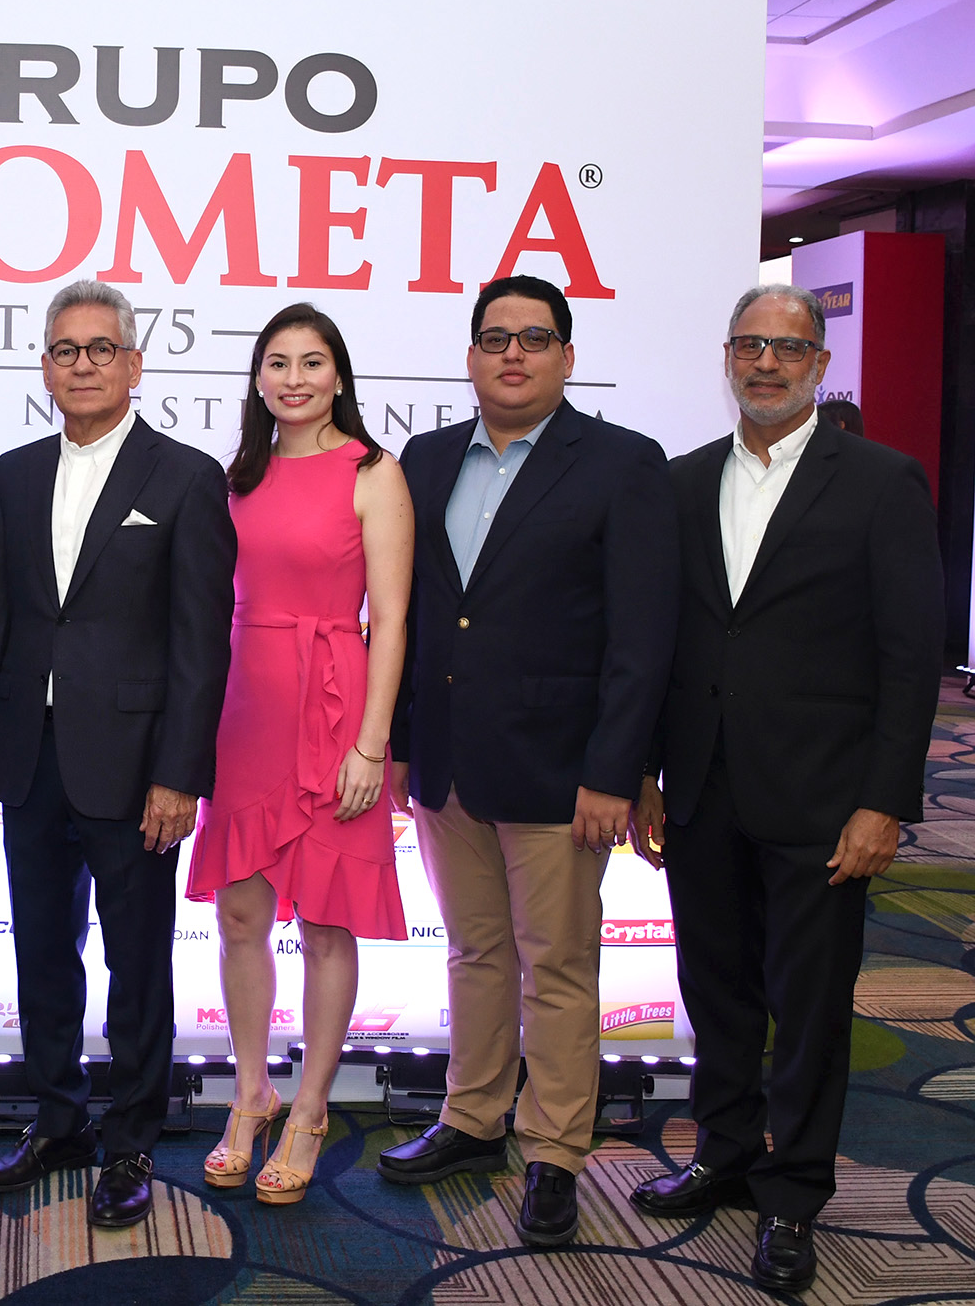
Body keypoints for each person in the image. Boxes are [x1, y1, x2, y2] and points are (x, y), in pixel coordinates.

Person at [629, 283, 942, 1293]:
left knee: (808, 1008)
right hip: (701, 788)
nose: (766, 364)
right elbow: (662, 641)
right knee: (716, 989)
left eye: (788, 348)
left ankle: (795, 1192)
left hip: (825, 799)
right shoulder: (682, 481)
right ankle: (724, 1153)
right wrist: (646, 772)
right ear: (727, 358)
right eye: (749, 346)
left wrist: (886, 801)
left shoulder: (882, 482)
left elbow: (911, 656)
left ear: (819, 365)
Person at [376, 275, 679, 1248]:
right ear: (470, 356)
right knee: (474, 952)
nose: (513, 353)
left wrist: (616, 770)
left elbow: (642, 637)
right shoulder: (425, 460)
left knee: (558, 965)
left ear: (567, 357)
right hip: (446, 762)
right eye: (496, 337)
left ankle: (553, 1151)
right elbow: (415, 617)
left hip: (562, 772)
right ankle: (472, 1116)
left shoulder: (623, 464)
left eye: (535, 338)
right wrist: (398, 742)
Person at [0, 278, 236, 1229]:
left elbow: (201, 644)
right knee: (42, 951)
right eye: (66, 350)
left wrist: (179, 774)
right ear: (45, 366)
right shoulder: (16, 471)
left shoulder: (186, 477)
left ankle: (130, 1141)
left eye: (101, 349)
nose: (83, 365)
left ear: (134, 363)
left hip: (134, 765)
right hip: (29, 757)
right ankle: (57, 1119)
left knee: (138, 962)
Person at [186, 303, 412, 1204]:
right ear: (257, 378)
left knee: (326, 922)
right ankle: (252, 1092)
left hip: (337, 709)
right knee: (241, 913)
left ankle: (311, 1106)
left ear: (339, 375)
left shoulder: (373, 470)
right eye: (277, 362)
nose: (294, 378)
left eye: (311, 362)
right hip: (245, 707)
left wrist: (372, 744)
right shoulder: (235, 477)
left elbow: (391, 618)